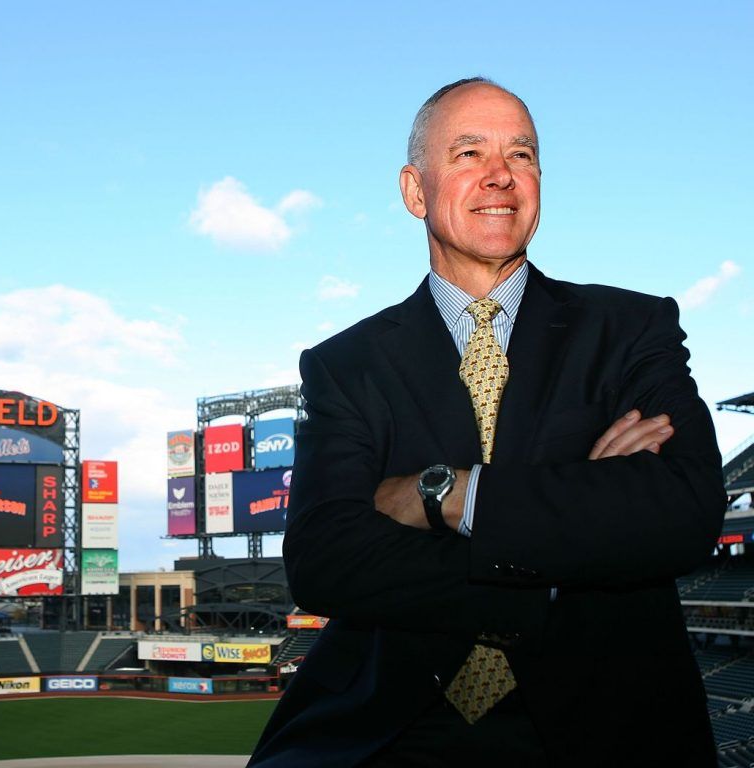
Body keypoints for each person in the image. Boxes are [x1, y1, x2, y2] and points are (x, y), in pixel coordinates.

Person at [248, 78, 726, 768]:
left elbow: (682, 511)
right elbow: (326, 561)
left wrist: (448, 494)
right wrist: (567, 543)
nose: (501, 174)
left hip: (608, 727)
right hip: (394, 724)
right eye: (469, 152)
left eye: (522, 155)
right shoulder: (348, 364)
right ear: (415, 190)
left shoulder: (629, 328)